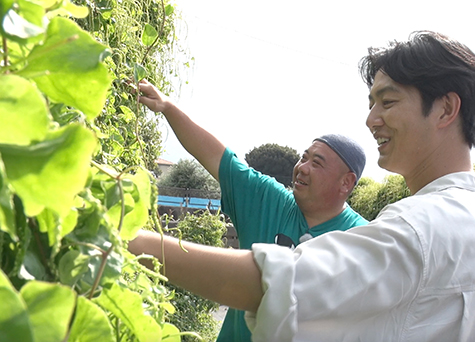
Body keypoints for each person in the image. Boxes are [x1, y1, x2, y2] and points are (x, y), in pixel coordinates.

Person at [130, 30, 475, 341]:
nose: (371, 118)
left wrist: (124, 239)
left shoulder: (424, 227)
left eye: (388, 102)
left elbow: (278, 285)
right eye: (371, 103)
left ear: (446, 108)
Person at [135, 80, 368, 341]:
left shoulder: (361, 238)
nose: (302, 167)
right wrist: (168, 107)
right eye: (304, 158)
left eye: (317, 163)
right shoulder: (269, 201)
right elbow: (220, 158)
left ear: (346, 182)